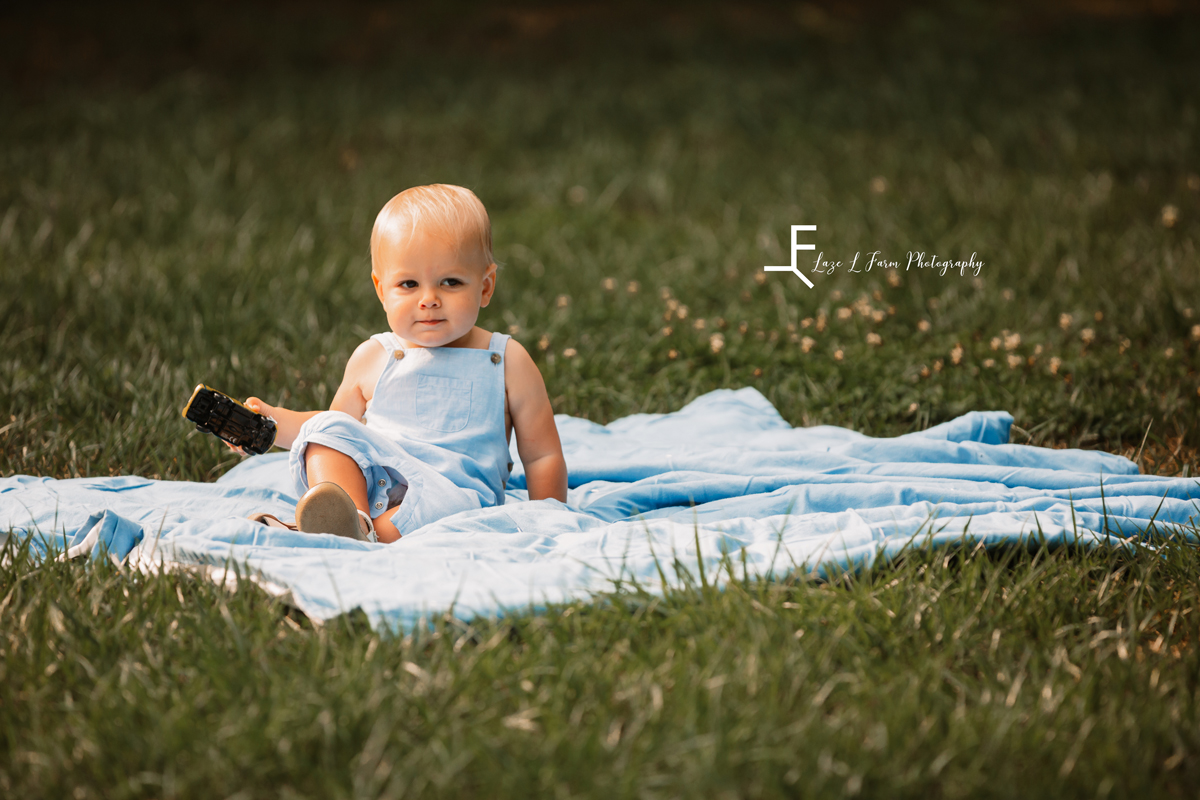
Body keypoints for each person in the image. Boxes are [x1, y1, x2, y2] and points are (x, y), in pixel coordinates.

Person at [242, 184, 568, 543]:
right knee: (327, 433)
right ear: (382, 291)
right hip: (376, 485)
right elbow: (337, 430)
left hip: (454, 497)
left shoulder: (507, 360)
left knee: (443, 509)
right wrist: (268, 423)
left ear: (486, 286)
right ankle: (353, 518)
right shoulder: (373, 356)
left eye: (451, 282)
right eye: (409, 284)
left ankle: (335, 535)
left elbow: (542, 456)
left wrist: (548, 519)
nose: (429, 299)